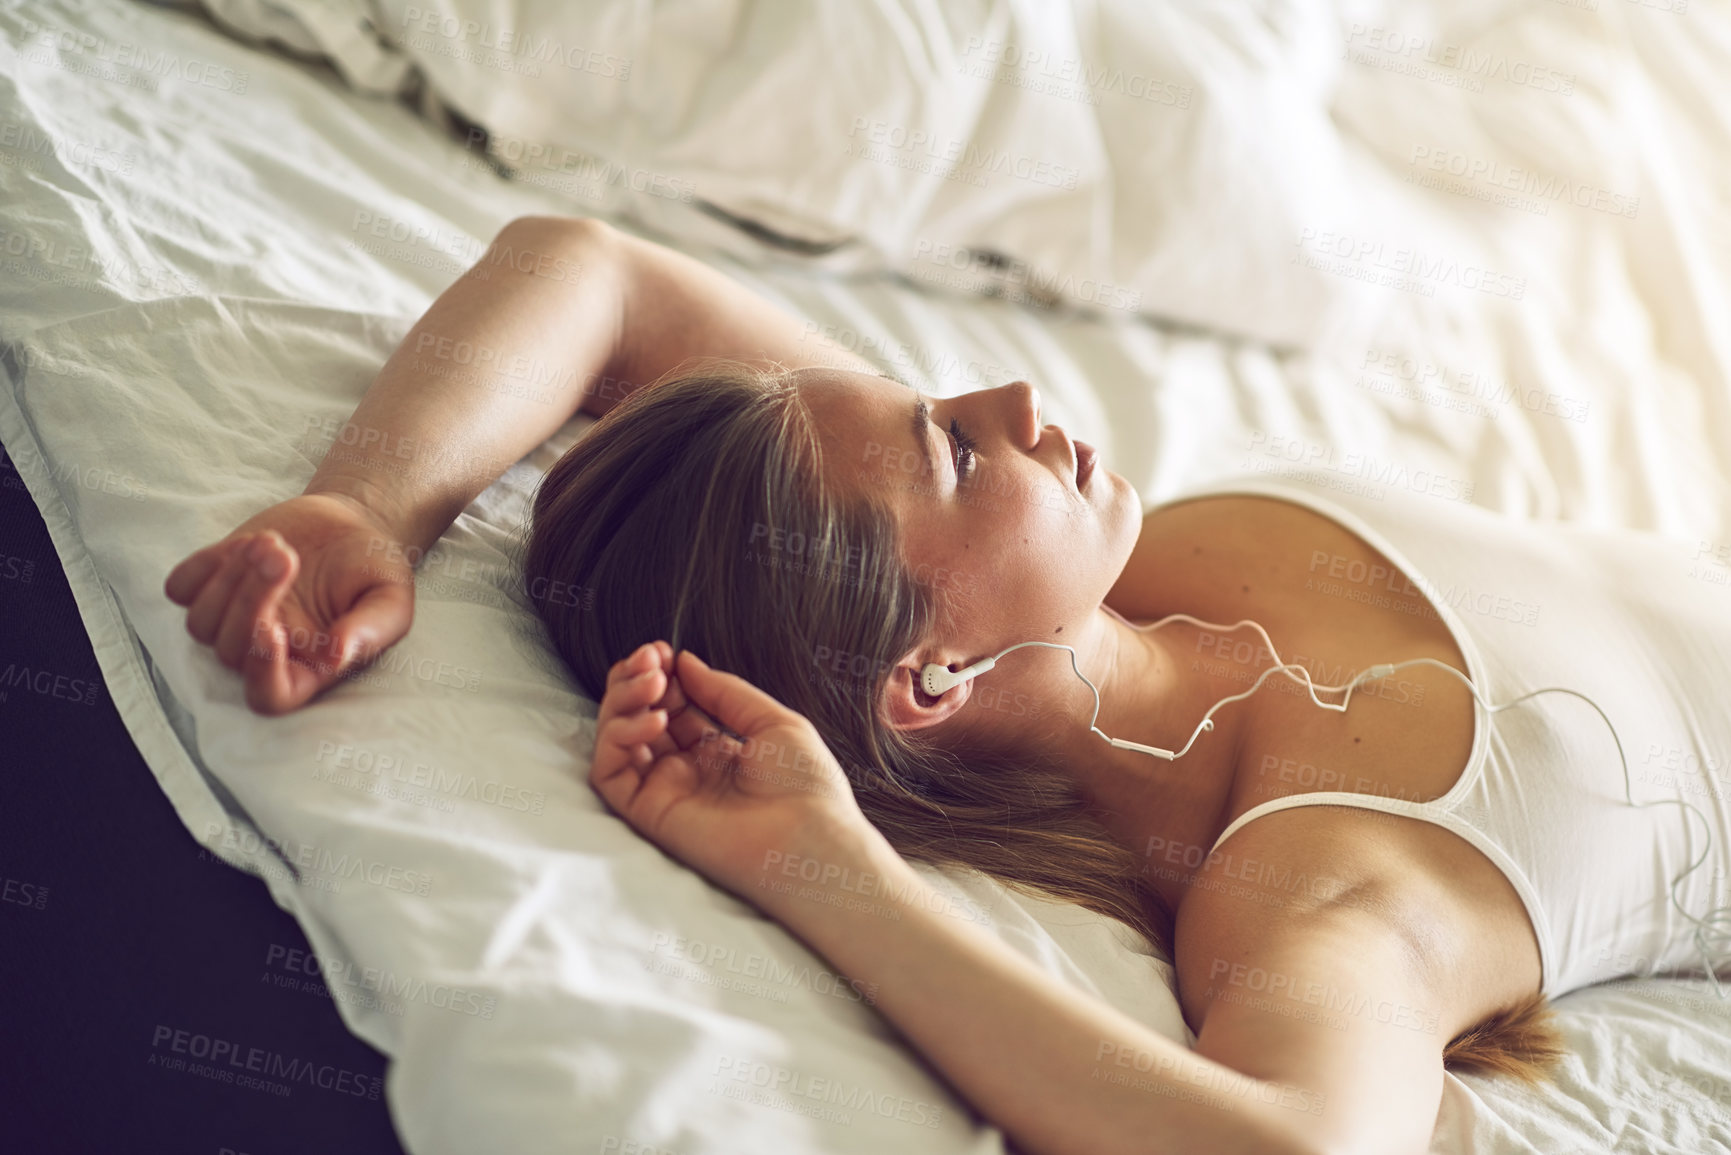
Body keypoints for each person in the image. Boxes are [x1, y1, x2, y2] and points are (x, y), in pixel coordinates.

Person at [165, 214, 1731, 1155]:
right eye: (956, 447)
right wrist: (822, 866)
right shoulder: (1319, 883)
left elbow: (590, 270)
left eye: (943, 403)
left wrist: (370, 507)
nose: (1014, 395)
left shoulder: (1114, 572)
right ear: (927, 681)